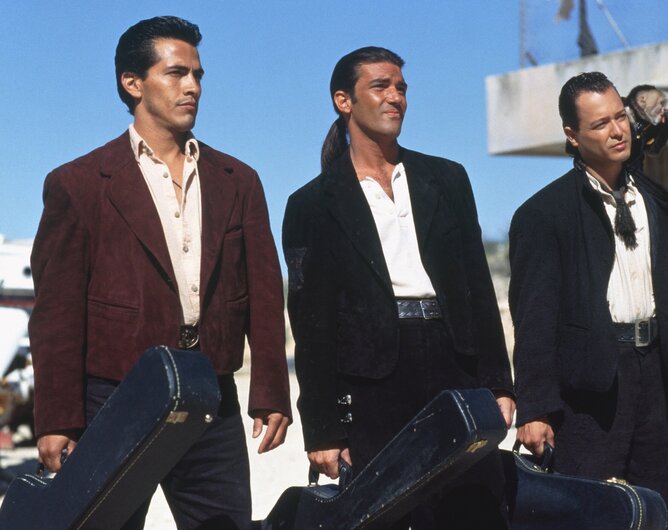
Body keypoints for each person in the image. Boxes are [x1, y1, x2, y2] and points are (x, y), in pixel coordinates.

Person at [29, 16, 291, 529]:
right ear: (133, 82)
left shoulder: (238, 180)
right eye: (176, 73)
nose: (192, 86)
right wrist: (57, 419)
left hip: (211, 392)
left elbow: (264, 294)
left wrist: (270, 390)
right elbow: (56, 314)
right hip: (113, 397)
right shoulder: (78, 184)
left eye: (197, 75)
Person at [283, 46, 514, 529]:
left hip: (454, 363)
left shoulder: (447, 179)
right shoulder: (312, 203)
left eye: (401, 88)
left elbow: (477, 285)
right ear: (344, 101)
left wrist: (499, 384)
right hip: (373, 381)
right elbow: (312, 323)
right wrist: (323, 428)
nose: (396, 97)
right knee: (392, 514)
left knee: (475, 507)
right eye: (381, 86)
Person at [509, 71, 668, 530]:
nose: (617, 131)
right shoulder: (544, 214)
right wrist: (534, 408)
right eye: (600, 124)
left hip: (655, 380)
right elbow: (534, 319)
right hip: (588, 388)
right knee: (593, 514)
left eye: (620, 117)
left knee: (658, 514)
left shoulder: (656, 203)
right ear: (572, 136)